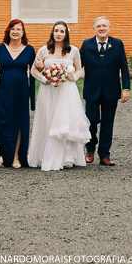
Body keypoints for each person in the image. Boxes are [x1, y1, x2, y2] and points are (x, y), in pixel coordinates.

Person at [28, 21, 91, 171]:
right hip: (48, 90)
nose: (59, 34)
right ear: (52, 32)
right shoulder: (44, 50)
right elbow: (34, 70)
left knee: (65, 122)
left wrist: (73, 77)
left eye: (62, 31)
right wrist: (45, 79)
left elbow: (79, 69)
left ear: (66, 34)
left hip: (67, 91)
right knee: (48, 120)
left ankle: (66, 157)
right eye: (56, 30)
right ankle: (47, 156)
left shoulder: (73, 50)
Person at [80, 16, 130, 166]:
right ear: (94, 29)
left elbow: (124, 67)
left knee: (108, 123)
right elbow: (78, 64)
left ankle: (104, 155)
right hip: (92, 90)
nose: (101, 28)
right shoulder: (87, 44)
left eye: (104, 26)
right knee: (91, 121)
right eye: (98, 26)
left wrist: (126, 88)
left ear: (109, 28)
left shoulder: (118, 44)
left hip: (111, 90)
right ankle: (90, 149)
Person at [0, 19, 35, 168]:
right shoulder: (0, 48)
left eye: (18, 29)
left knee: (19, 122)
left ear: (23, 32)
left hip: (21, 91)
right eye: (13, 29)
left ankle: (15, 156)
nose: (15, 32)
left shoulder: (29, 49)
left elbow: (34, 70)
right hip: (4, 90)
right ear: (8, 31)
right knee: (4, 121)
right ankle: (4, 152)